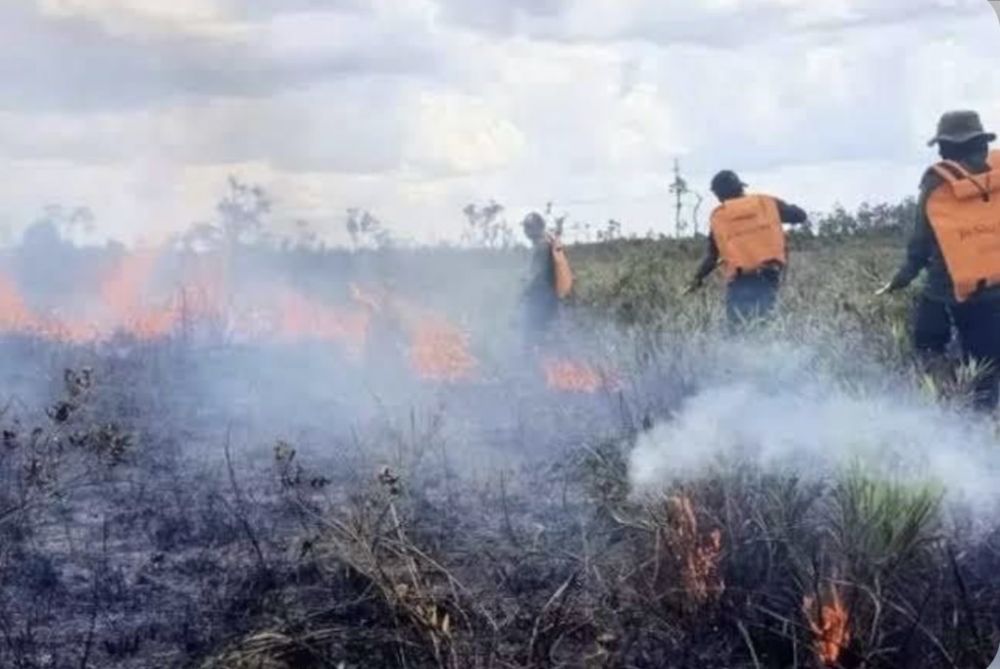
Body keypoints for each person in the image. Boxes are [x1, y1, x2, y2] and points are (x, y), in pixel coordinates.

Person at [877, 110, 1000, 412]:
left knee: (930, 346)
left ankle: (955, 420)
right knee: (989, 363)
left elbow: (919, 245)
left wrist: (900, 278)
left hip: (952, 292)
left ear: (945, 148)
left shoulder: (937, 183)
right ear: (981, 143)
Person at [687, 170, 808, 327]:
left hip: (739, 281)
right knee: (765, 325)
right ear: (740, 188)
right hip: (768, 276)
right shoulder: (765, 203)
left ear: (718, 195)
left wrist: (697, 279)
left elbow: (712, 257)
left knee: (737, 329)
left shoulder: (720, 217)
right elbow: (800, 216)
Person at [520, 212, 572, 343]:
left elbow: (537, 275)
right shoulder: (546, 244)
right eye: (525, 227)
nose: (525, 231)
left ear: (537, 227)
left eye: (528, 227)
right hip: (548, 298)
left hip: (542, 299)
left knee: (534, 337)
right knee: (547, 335)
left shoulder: (542, 247)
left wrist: (524, 291)